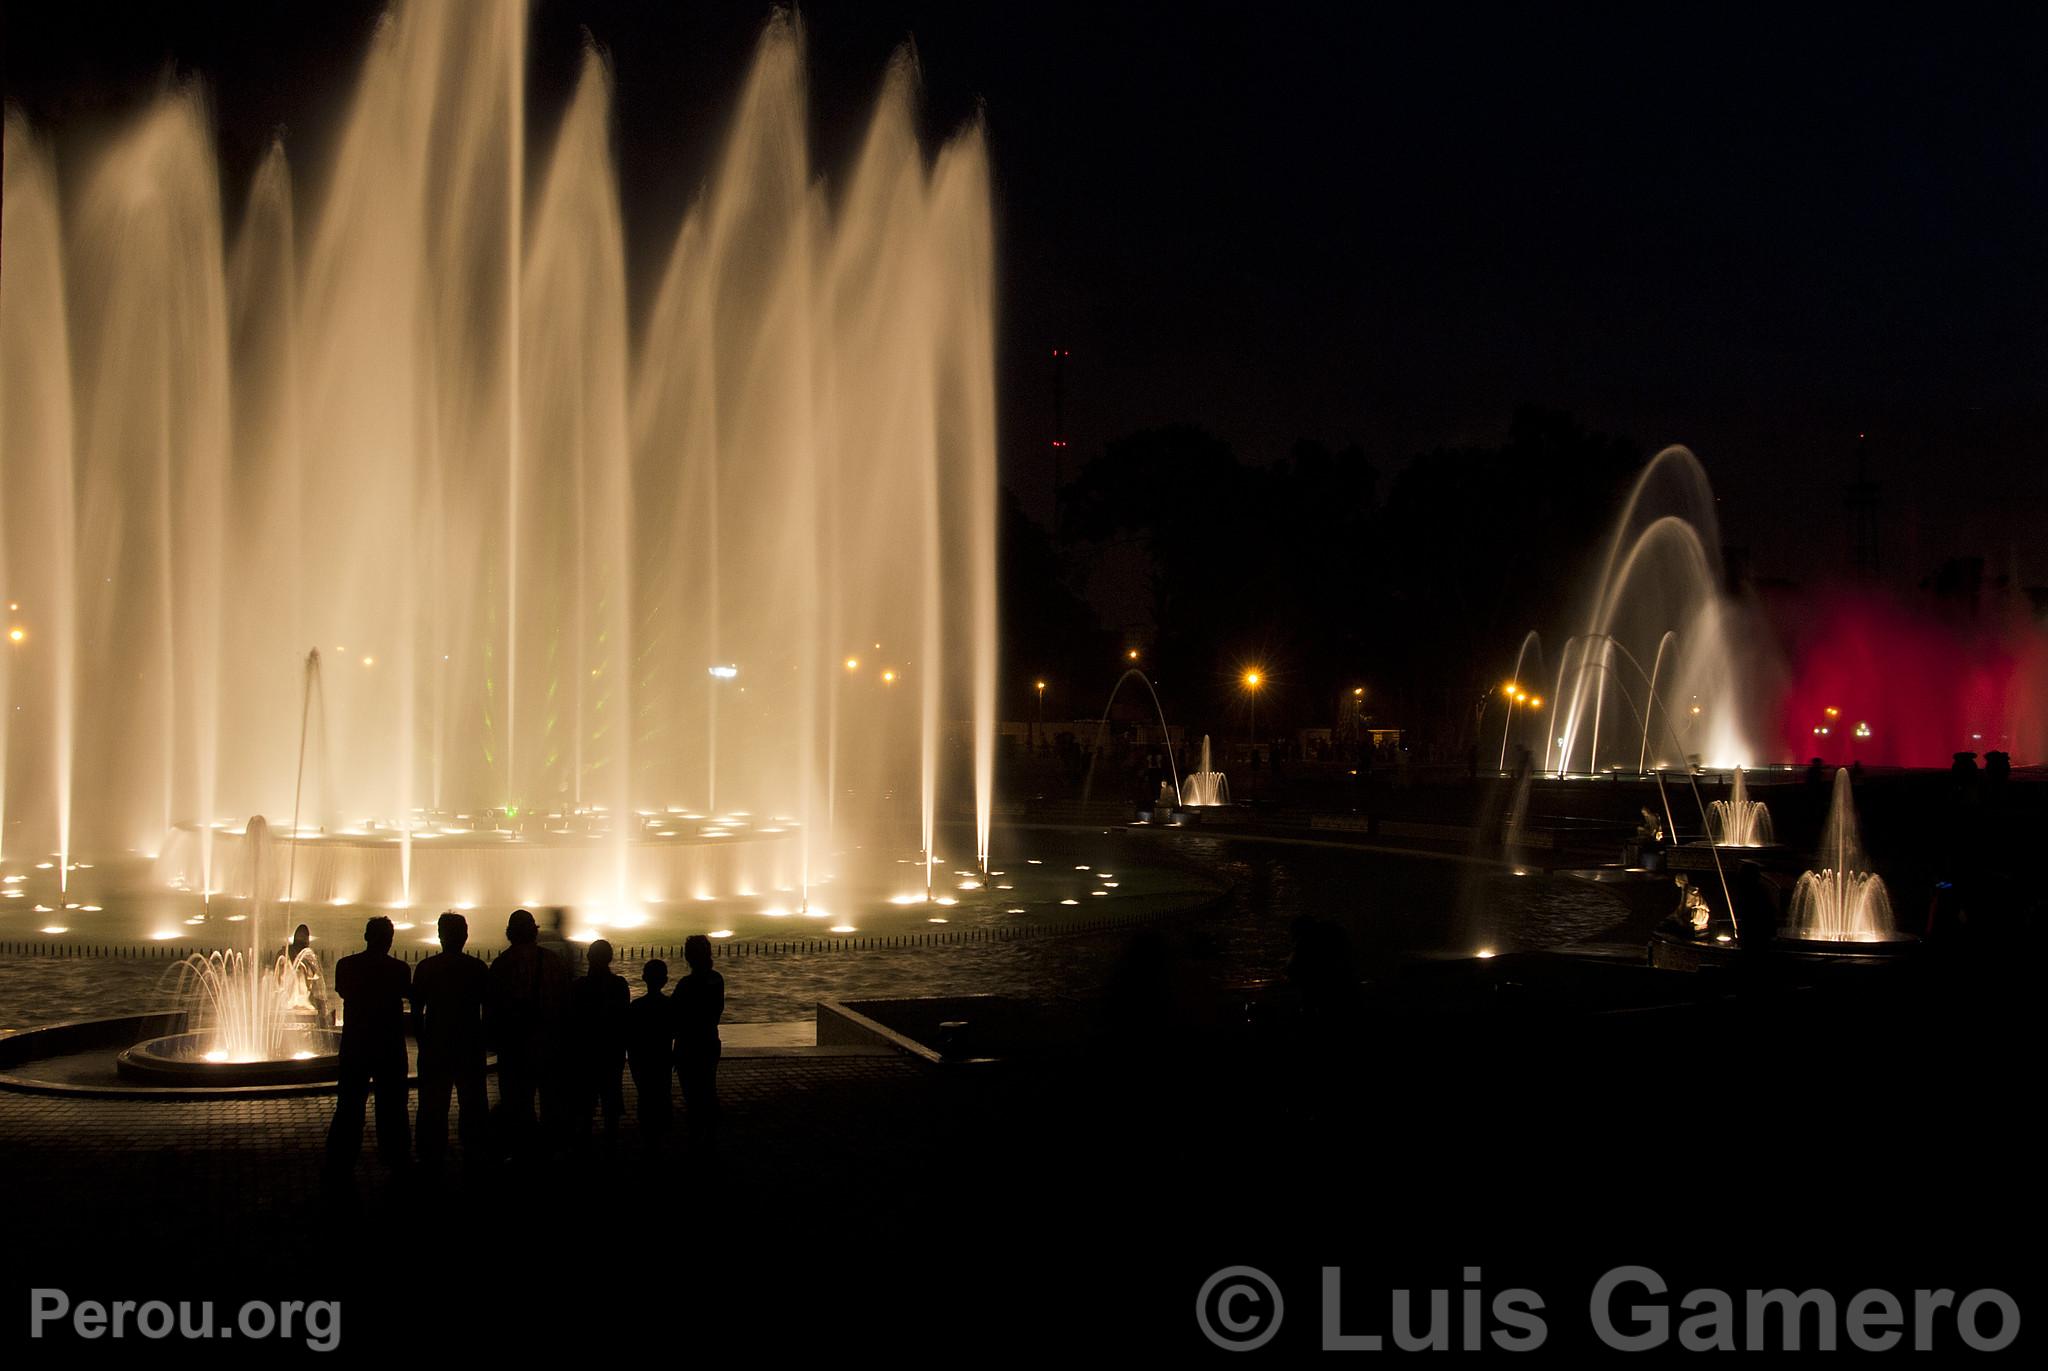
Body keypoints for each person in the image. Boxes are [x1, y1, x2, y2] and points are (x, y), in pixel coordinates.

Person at [324, 915, 412, 1181]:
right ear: (390, 940)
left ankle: (341, 1158)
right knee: (393, 1105)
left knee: (349, 1104)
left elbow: (343, 991)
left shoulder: (347, 966)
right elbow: (408, 995)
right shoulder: (399, 969)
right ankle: (397, 1157)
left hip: (357, 1045)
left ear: (365, 937)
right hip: (389, 1046)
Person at [486, 907, 572, 1162]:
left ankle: (522, 1152)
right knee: (550, 1099)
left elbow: (492, 1008)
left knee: (517, 1101)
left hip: (514, 1048)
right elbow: (567, 1003)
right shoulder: (553, 962)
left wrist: (493, 1042)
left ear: (510, 934)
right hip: (548, 1045)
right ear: (534, 932)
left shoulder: (501, 965)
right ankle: (547, 1151)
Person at [411, 911, 491, 1174]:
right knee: (473, 1102)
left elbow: (416, 1010)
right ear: (465, 936)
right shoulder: (477, 968)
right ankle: (475, 1149)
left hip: (436, 1044)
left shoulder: (426, 968)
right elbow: (488, 1010)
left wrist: (423, 1040)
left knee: (432, 1103)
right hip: (469, 1045)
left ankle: (430, 1153)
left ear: (439, 935)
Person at [568, 937, 630, 1146]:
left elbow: (572, 1021)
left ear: (588, 957)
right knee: (611, 1102)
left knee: (584, 1105)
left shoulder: (579, 987)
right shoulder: (620, 985)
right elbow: (623, 1020)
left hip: (585, 1054)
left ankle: (584, 1148)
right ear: (611, 958)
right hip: (611, 1053)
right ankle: (611, 1147)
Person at [673, 934, 725, 1153]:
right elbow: (717, 1012)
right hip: (709, 1041)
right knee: (708, 1088)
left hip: (688, 1046)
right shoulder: (717, 979)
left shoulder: (686, 984)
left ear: (688, 957)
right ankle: (711, 1135)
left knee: (692, 1093)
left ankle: (695, 1136)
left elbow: (675, 1014)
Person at [627, 959, 675, 1138]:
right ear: (665, 980)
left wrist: (632, 1063)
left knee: (645, 1099)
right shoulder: (669, 1005)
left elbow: (631, 1039)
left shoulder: (636, 1006)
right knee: (663, 1096)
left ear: (643, 978)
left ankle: (648, 1138)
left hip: (642, 1061)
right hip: (662, 1060)